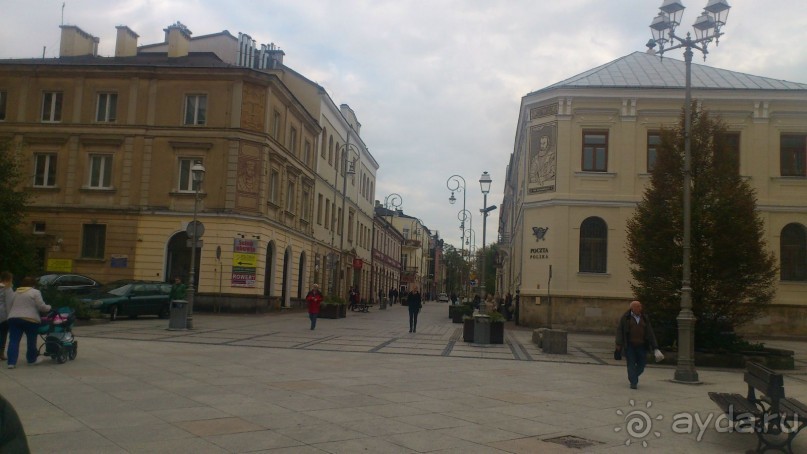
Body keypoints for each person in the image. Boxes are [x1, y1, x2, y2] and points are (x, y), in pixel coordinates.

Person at [6, 276, 51, 369]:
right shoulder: (35, 292)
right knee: (31, 340)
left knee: (13, 340)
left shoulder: (15, 292)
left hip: (14, 318)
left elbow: (9, 306)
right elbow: (41, 306)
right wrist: (49, 307)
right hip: (31, 320)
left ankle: (11, 362)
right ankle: (31, 360)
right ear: (33, 284)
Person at [615, 300, 659, 389]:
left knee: (642, 364)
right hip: (630, 345)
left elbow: (650, 332)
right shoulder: (626, 317)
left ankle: (633, 376)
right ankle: (633, 382)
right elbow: (620, 330)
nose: (640, 308)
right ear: (632, 308)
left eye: (640, 306)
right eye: (638, 306)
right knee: (631, 363)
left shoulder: (644, 318)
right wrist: (619, 343)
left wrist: (655, 346)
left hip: (642, 345)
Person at [0, 272, 13, 361]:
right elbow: (9, 304)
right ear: (9, 279)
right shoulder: (7, 289)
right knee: (3, 334)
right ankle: (1, 353)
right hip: (3, 315)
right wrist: (10, 317)